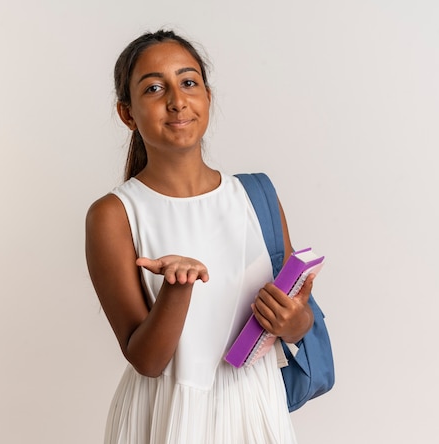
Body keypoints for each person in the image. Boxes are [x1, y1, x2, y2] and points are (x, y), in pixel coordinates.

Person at [85, 29, 316, 444]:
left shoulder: (257, 194)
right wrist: (178, 289)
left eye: (188, 82)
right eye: (154, 88)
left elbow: (297, 317)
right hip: (167, 418)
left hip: (255, 409)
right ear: (128, 113)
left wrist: (297, 323)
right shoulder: (114, 214)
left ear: (207, 96)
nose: (177, 100)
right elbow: (148, 361)